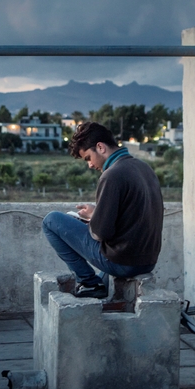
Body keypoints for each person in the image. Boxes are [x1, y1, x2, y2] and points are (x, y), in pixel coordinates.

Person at [41, 121, 164, 298]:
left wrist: (89, 222)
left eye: (88, 158)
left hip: (124, 262)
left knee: (51, 220)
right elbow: (133, 213)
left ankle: (89, 283)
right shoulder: (143, 168)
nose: (90, 165)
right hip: (147, 260)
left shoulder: (112, 175)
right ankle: (100, 282)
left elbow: (101, 233)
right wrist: (97, 212)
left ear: (100, 147)